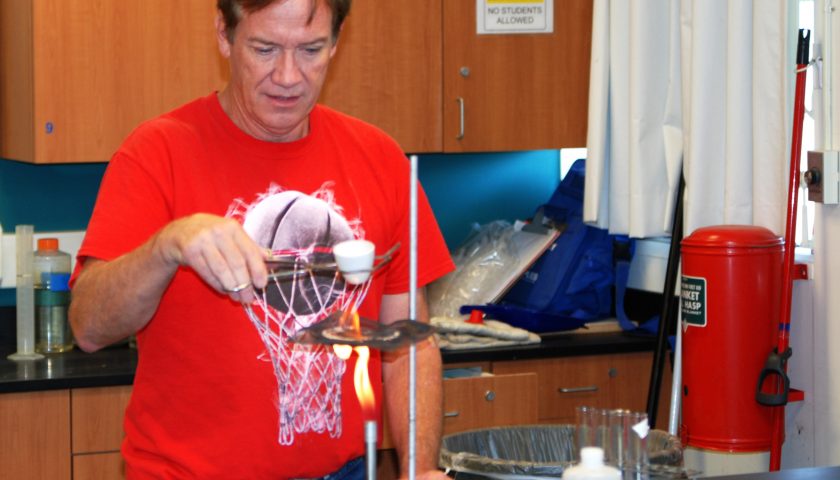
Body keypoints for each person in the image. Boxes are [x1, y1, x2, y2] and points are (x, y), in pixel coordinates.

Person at [68, 0, 454, 478]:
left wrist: (419, 468)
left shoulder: (381, 159)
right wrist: (166, 246)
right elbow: (89, 327)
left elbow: (409, 345)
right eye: (265, 48)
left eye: (311, 49)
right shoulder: (157, 152)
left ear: (336, 43)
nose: (289, 76)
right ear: (224, 36)